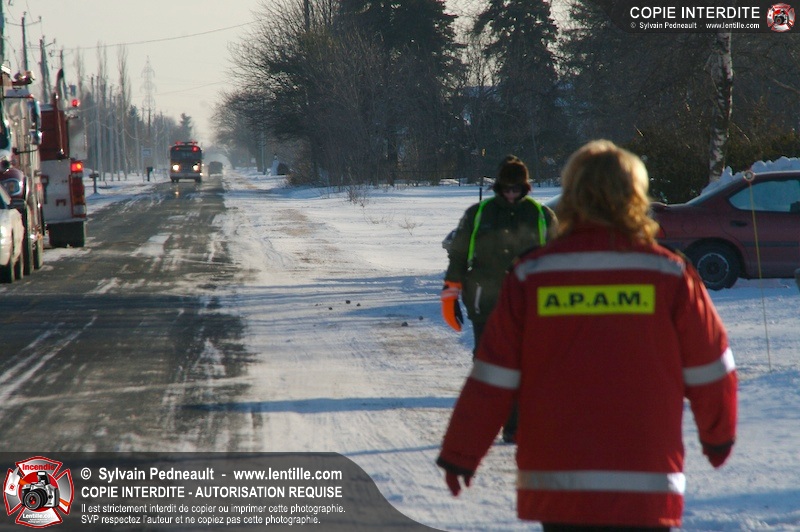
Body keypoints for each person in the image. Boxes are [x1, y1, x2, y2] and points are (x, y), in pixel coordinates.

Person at [436, 140, 737, 530]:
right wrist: (718, 437)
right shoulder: (668, 275)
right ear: (636, 197)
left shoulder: (532, 276)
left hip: (559, 486)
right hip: (644, 483)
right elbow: (711, 367)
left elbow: (493, 375)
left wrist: (462, 452)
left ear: (572, 197)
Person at [441, 155, 557, 443]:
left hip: (528, 302)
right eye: (506, 189)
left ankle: (515, 426)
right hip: (484, 300)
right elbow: (458, 254)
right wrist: (450, 293)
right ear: (498, 187)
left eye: (516, 189)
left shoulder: (541, 215)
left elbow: (559, 259)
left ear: (525, 187)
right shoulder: (478, 214)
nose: (511, 194)